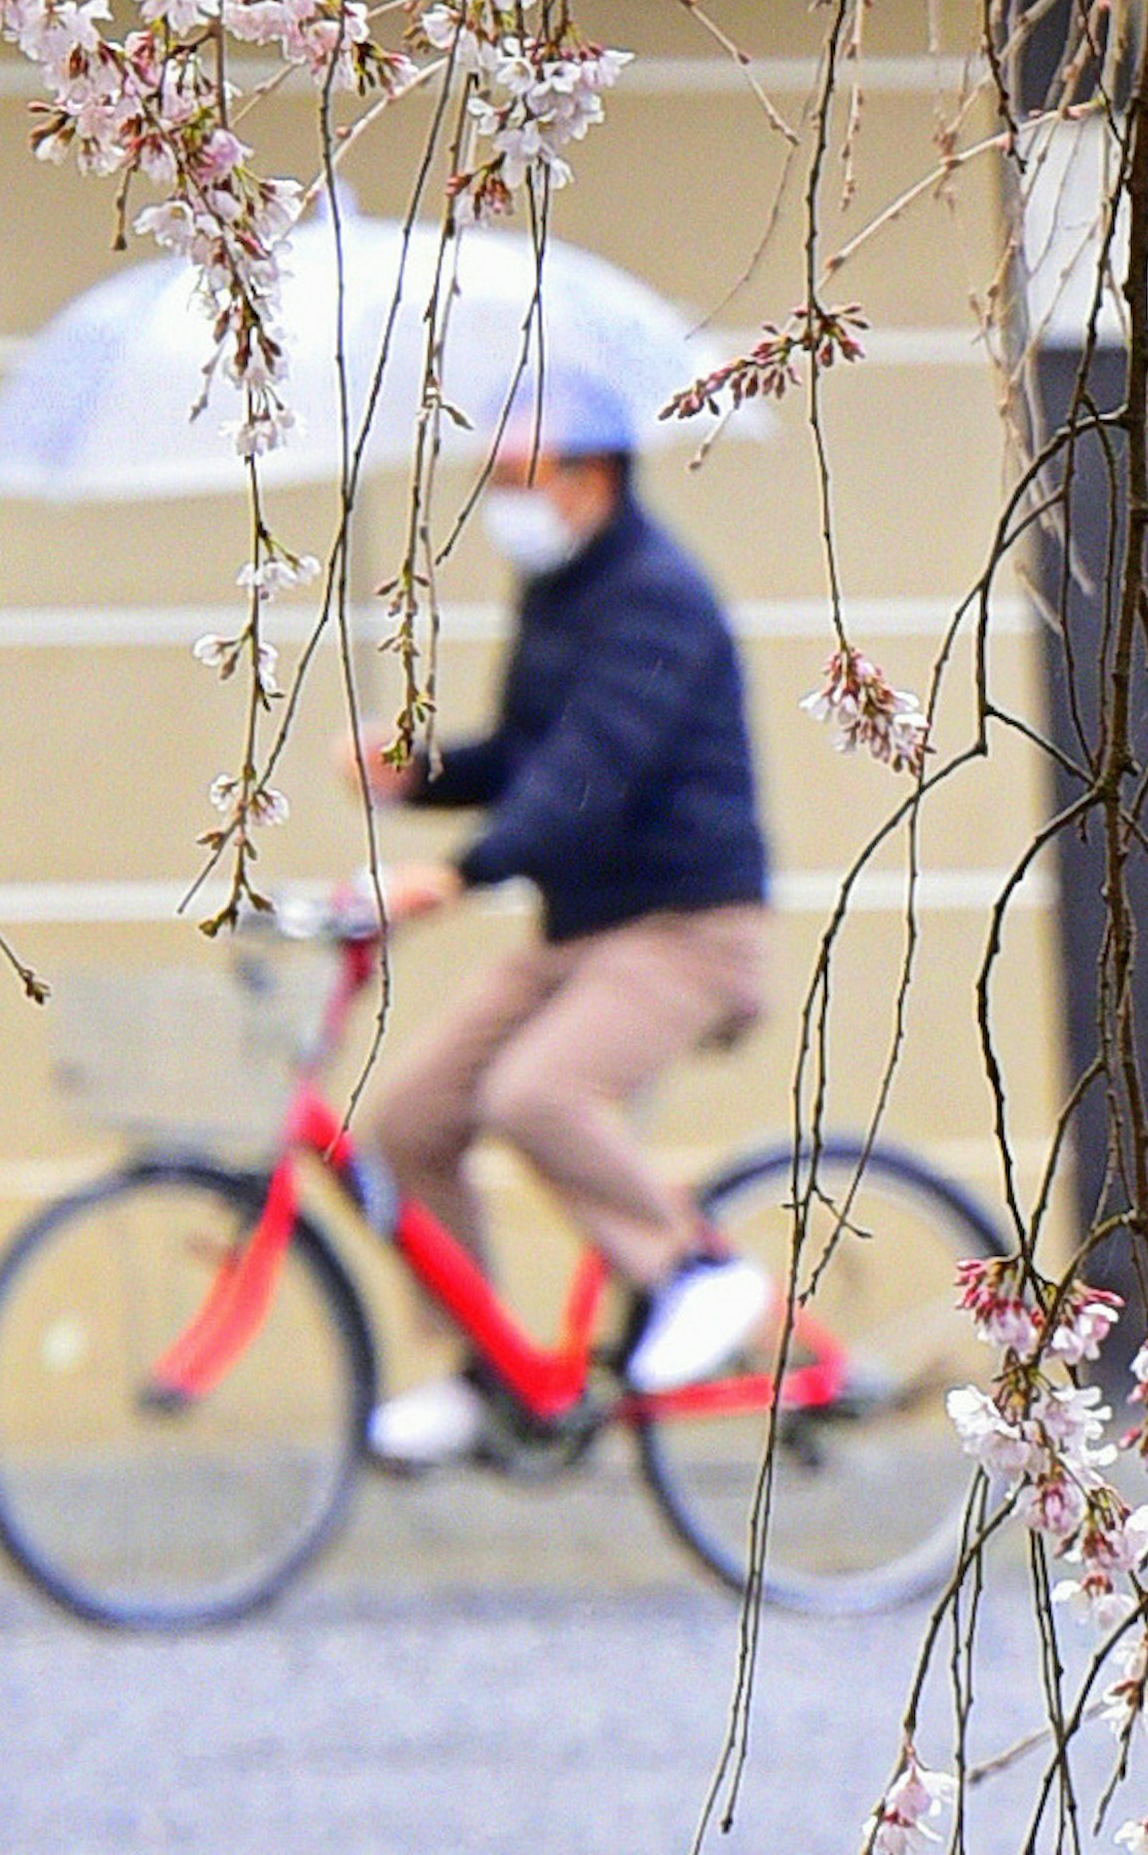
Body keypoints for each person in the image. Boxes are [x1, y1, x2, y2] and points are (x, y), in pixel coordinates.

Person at [344, 350, 773, 1461]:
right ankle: (480, 1372)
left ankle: (697, 1270)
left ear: (595, 476)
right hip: (580, 932)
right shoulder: (563, 590)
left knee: (538, 1095)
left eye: (523, 474)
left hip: (687, 928)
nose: (507, 501)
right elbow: (532, 757)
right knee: (413, 1121)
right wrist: (419, 771)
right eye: (496, 477)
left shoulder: (659, 599)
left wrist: (462, 873)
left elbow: (591, 774)